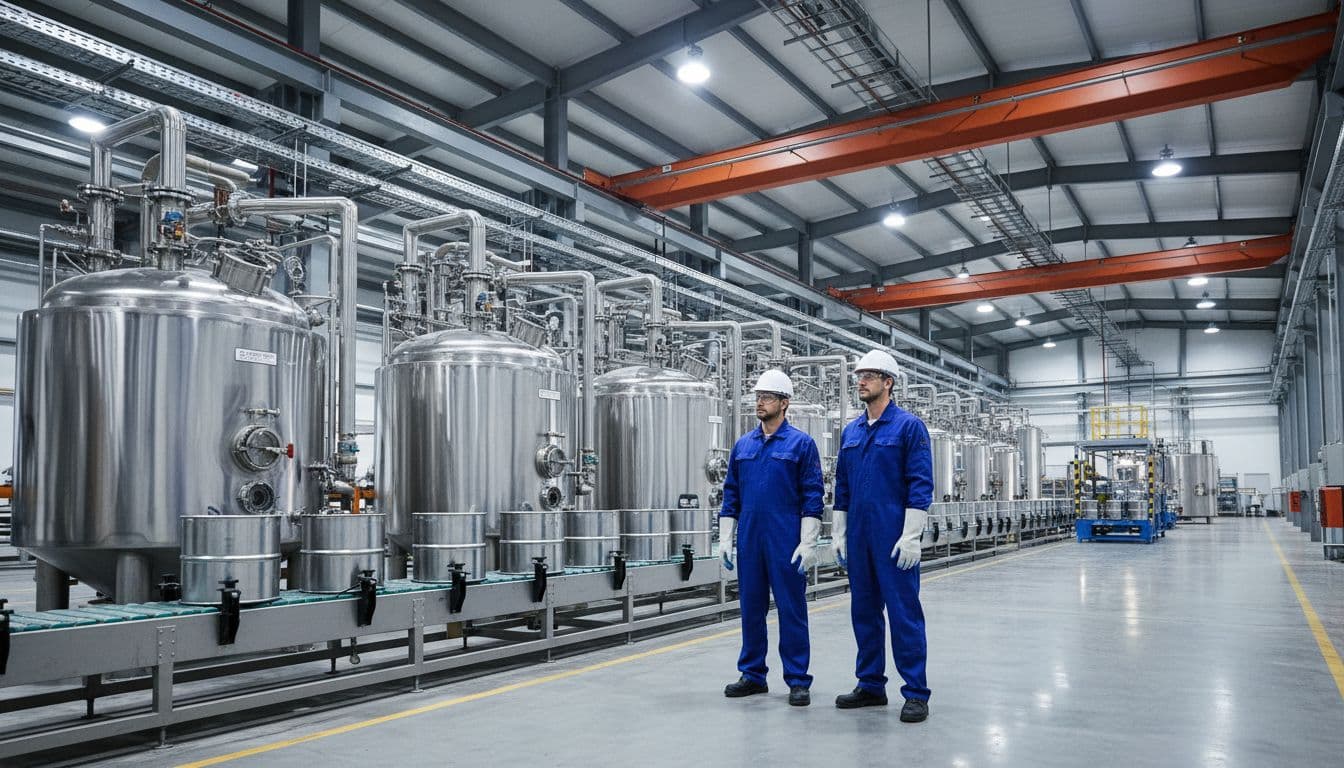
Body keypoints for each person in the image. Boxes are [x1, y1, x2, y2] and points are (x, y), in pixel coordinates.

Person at [831, 349, 933, 722]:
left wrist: (911, 536)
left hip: (893, 535)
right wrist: (839, 532)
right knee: (864, 613)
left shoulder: (909, 427)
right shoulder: (852, 431)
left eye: (869, 375)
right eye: (859, 375)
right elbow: (842, 486)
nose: (861, 380)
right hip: (859, 535)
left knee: (904, 614)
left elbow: (921, 484)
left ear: (888, 382)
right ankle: (871, 685)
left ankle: (916, 692)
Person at [719, 369, 825, 707]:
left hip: (785, 540)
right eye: (757, 397)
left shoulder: (801, 444)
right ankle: (752, 675)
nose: (759, 403)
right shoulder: (743, 445)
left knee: (791, 610)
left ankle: (797, 679)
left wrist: (808, 541)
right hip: (750, 539)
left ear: (784, 403)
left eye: (766, 397)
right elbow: (731, 493)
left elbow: (812, 495)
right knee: (751, 608)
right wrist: (725, 537)